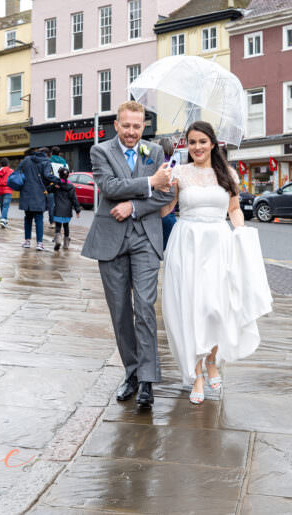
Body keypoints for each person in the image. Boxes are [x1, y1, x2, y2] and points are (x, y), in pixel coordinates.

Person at [160, 121, 273, 405]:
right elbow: (166, 210)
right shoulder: (178, 173)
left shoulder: (228, 174)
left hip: (219, 245)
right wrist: (163, 186)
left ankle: (213, 359)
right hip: (187, 245)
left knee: (216, 307)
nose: (197, 147)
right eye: (192, 142)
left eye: (202, 141)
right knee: (191, 308)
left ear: (212, 144)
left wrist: (241, 236)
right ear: (186, 145)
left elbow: (234, 210)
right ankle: (197, 373)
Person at [81, 101, 174, 409]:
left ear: (143, 126)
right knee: (120, 312)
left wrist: (134, 206)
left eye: (138, 126)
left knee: (145, 306)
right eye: (127, 126)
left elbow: (166, 194)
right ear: (117, 126)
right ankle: (131, 374)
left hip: (146, 237)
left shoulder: (156, 152)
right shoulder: (101, 152)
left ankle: (148, 380)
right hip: (111, 240)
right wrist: (148, 183)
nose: (132, 132)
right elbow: (109, 187)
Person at [17, 148, 52, 250]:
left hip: (26, 193)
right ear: (46, 154)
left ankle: (27, 241)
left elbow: (18, 172)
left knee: (28, 218)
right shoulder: (46, 162)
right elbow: (47, 175)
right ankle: (39, 244)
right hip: (39, 193)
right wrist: (57, 181)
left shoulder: (26, 160)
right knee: (39, 219)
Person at [51, 167, 82, 250]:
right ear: (68, 176)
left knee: (58, 225)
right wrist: (77, 210)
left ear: (59, 175)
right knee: (66, 226)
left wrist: (54, 186)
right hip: (67, 209)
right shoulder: (71, 186)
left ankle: (57, 240)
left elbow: (48, 190)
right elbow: (74, 199)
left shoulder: (56, 185)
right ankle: (65, 244)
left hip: (58, 208)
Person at [157, 137, 178, 250]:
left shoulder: (157, 163)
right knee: (171, 247)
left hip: (157, 210)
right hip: (170, 211)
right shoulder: (173, 163)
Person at [0, 158, 14, 229]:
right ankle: (3, 219)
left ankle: (5, 220)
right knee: (6, 206)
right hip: (8, 190)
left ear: (0, 164)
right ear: (8, 164)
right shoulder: (11, 171)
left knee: (2, 206)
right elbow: (14, 180)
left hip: (0, 190)